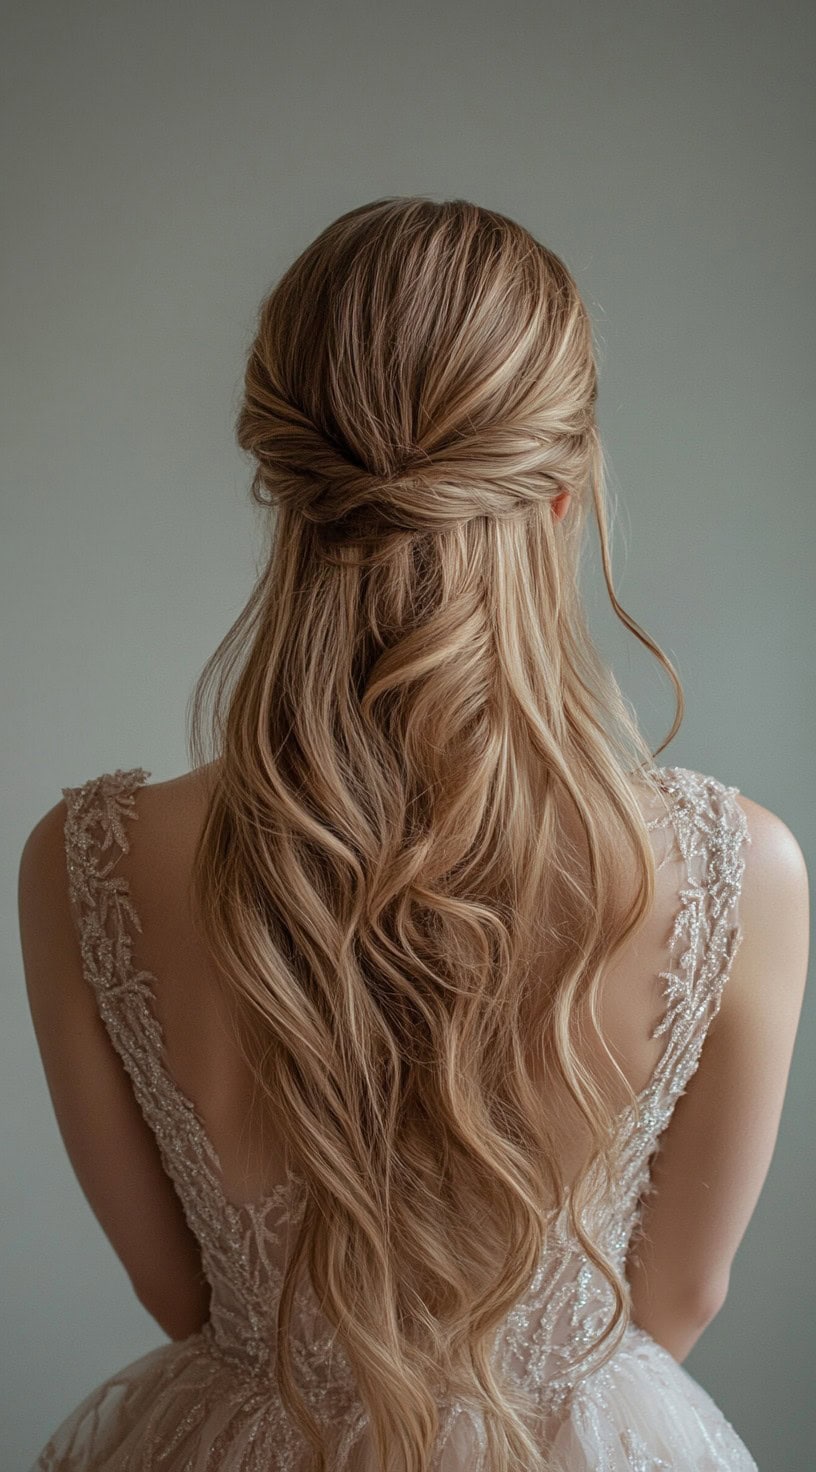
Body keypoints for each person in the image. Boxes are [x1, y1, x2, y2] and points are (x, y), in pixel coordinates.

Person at [18, 196, 809, 1471]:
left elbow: (180, 1293)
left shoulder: (86, 859)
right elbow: (675, 1302)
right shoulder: (742, 869)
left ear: (280, 477)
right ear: (564, 488)